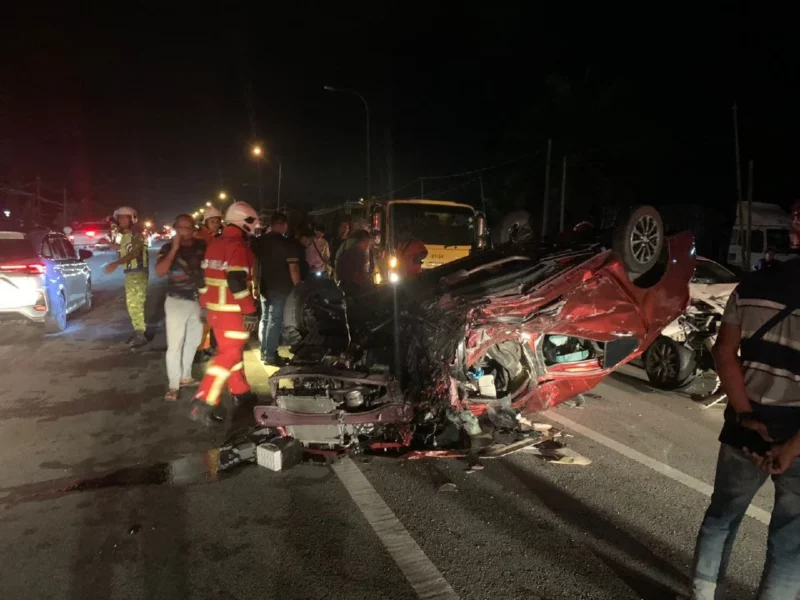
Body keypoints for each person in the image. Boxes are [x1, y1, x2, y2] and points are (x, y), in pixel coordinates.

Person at [690, 258, 800, 600]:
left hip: (746, 429)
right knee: (791, 537)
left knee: (722, 515)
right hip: (797, 439)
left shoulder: (752, 286)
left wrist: (745, 414)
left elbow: (725, 353)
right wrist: (790, 448)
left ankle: (702, 594)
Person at [189, 201, 261, 426]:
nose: (255, 226)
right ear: (243, 222)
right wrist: (249, 311)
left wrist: (204, 304)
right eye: (252, 222)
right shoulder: (238, 246)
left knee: (232, 352)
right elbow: (236, 281)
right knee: (227, 356)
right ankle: (203, 403)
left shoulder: (215, 243)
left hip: (216, 312)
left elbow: (201, 279)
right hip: (233, 313)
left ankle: (241, 390)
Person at [155, 214, 206, 401]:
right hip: (176, 301)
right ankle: (173, 385)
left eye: (188, 227)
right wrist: (174, 249)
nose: (184, 231)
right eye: (181, 227)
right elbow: (160, 272)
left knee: (193, 340)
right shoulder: (168, 248)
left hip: (198, 301)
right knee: (175, 345)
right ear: (175, 228)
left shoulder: (202, 246)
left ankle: (186, 376)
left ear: (193, 229)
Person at [251, 212, 301, 366]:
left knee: (266, 318)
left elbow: (254, 264)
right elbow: (293, 268)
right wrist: (299, 289)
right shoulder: (288, 244)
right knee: (275, 320)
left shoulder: (258, 242)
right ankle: (270, 355)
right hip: (282, 287)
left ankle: (265, 351)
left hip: (264, 286)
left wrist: (255, 284)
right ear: (284, 225)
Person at [105, 206, 149, 347]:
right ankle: (138, 331)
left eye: (124, 218)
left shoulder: (136, 233)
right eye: (120, 218)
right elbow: (122, 249)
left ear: (132, 219)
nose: (121, 221)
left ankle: (140, 334)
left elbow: (135, 253)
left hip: (137, 271)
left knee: (135, 304)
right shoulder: (127, 234)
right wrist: (107, 244)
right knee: (132, 304)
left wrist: (116, 263)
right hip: (131, 272)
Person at [336, 229, 372, 296]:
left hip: (344, 285)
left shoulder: (347, 249)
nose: (367, 245)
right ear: (362, 241)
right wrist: (369, 284)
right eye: (367, 242)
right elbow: (358, 273)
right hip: (354, 288)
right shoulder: (358, 252)